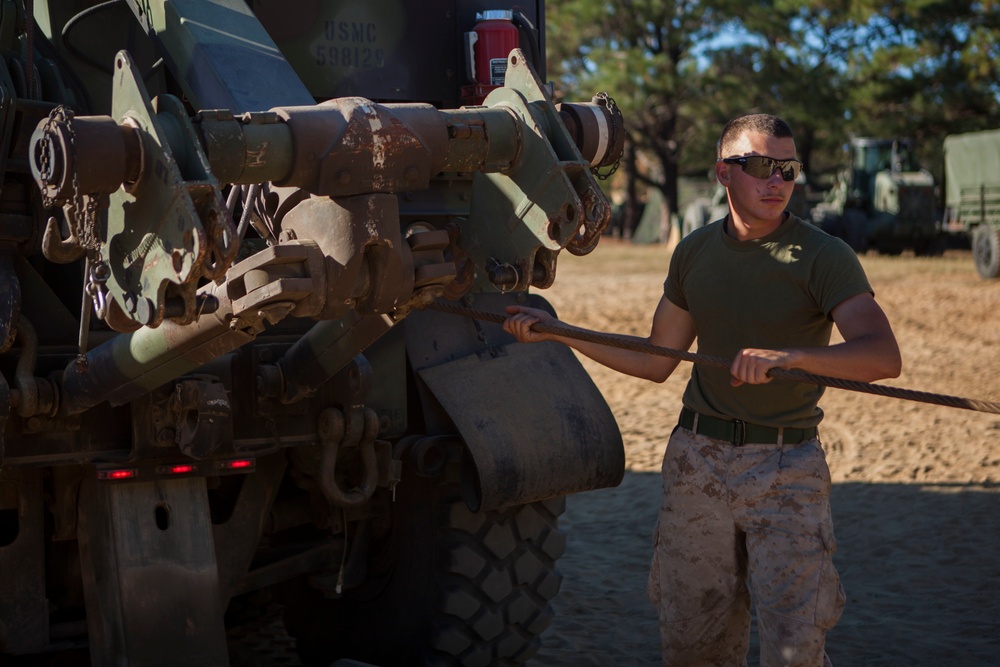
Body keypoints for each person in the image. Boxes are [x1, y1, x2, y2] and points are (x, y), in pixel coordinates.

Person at [503, 113, 901, 666]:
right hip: (697, 464)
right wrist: (563, 334)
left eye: (788, 169)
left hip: (787, 469)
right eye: (760, 166)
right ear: (723, 172)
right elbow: (657, 357)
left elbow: (883, 355)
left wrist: (790, 359)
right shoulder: (693, 252)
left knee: (795, 649)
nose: (777, 181)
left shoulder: (824, 255)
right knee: (695, 646)